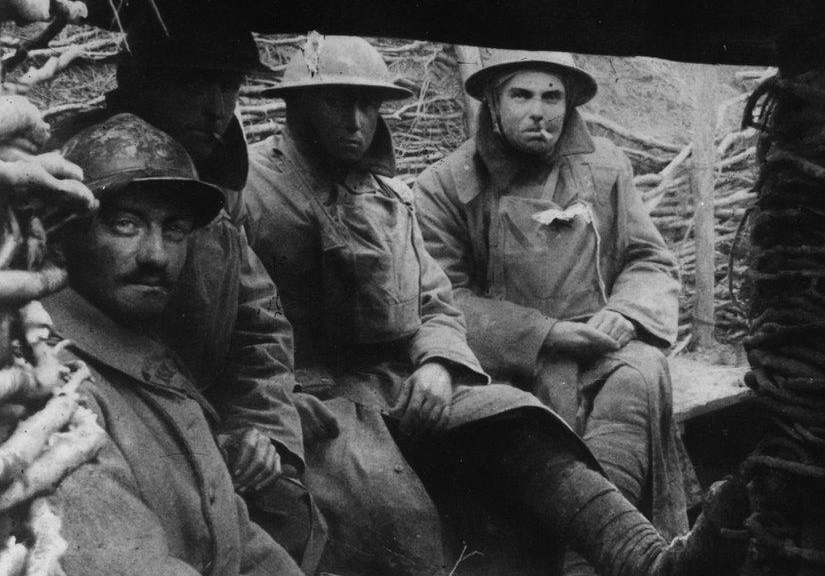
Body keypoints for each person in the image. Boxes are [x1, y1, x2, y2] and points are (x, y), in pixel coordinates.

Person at [243, 33, 747, 576]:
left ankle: (643, 560)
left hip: (402, 380)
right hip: (314, 398)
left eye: (368, 104)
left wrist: (438, 363)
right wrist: (271, 404)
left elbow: (433, 301)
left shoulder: (388, 196)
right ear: (295, 105)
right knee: (393, 511)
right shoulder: (251, 191)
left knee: (520, 421)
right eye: (336, 102)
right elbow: (231, 327)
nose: (356, 121)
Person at [48, 8, 317, 564]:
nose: (218, 108)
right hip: (112, 422)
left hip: (207, 438)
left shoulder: (215, 211)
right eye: (196, 81)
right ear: (140, 78)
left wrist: (259, 433)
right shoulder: (55, 186)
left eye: (231, 86)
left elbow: (260, 332)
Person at [413, 48, 690, 569]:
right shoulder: (447, 186)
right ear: (493, 104)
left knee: (640, 375)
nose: (539, 111)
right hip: (504, 362)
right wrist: (545, 335)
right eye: (521, 95)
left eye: (552, 96)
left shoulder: (605, 167)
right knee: (530, 424)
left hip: (600, 347)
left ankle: (589, 560)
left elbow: (650, 258)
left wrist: (627, 312)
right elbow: (441, 298)